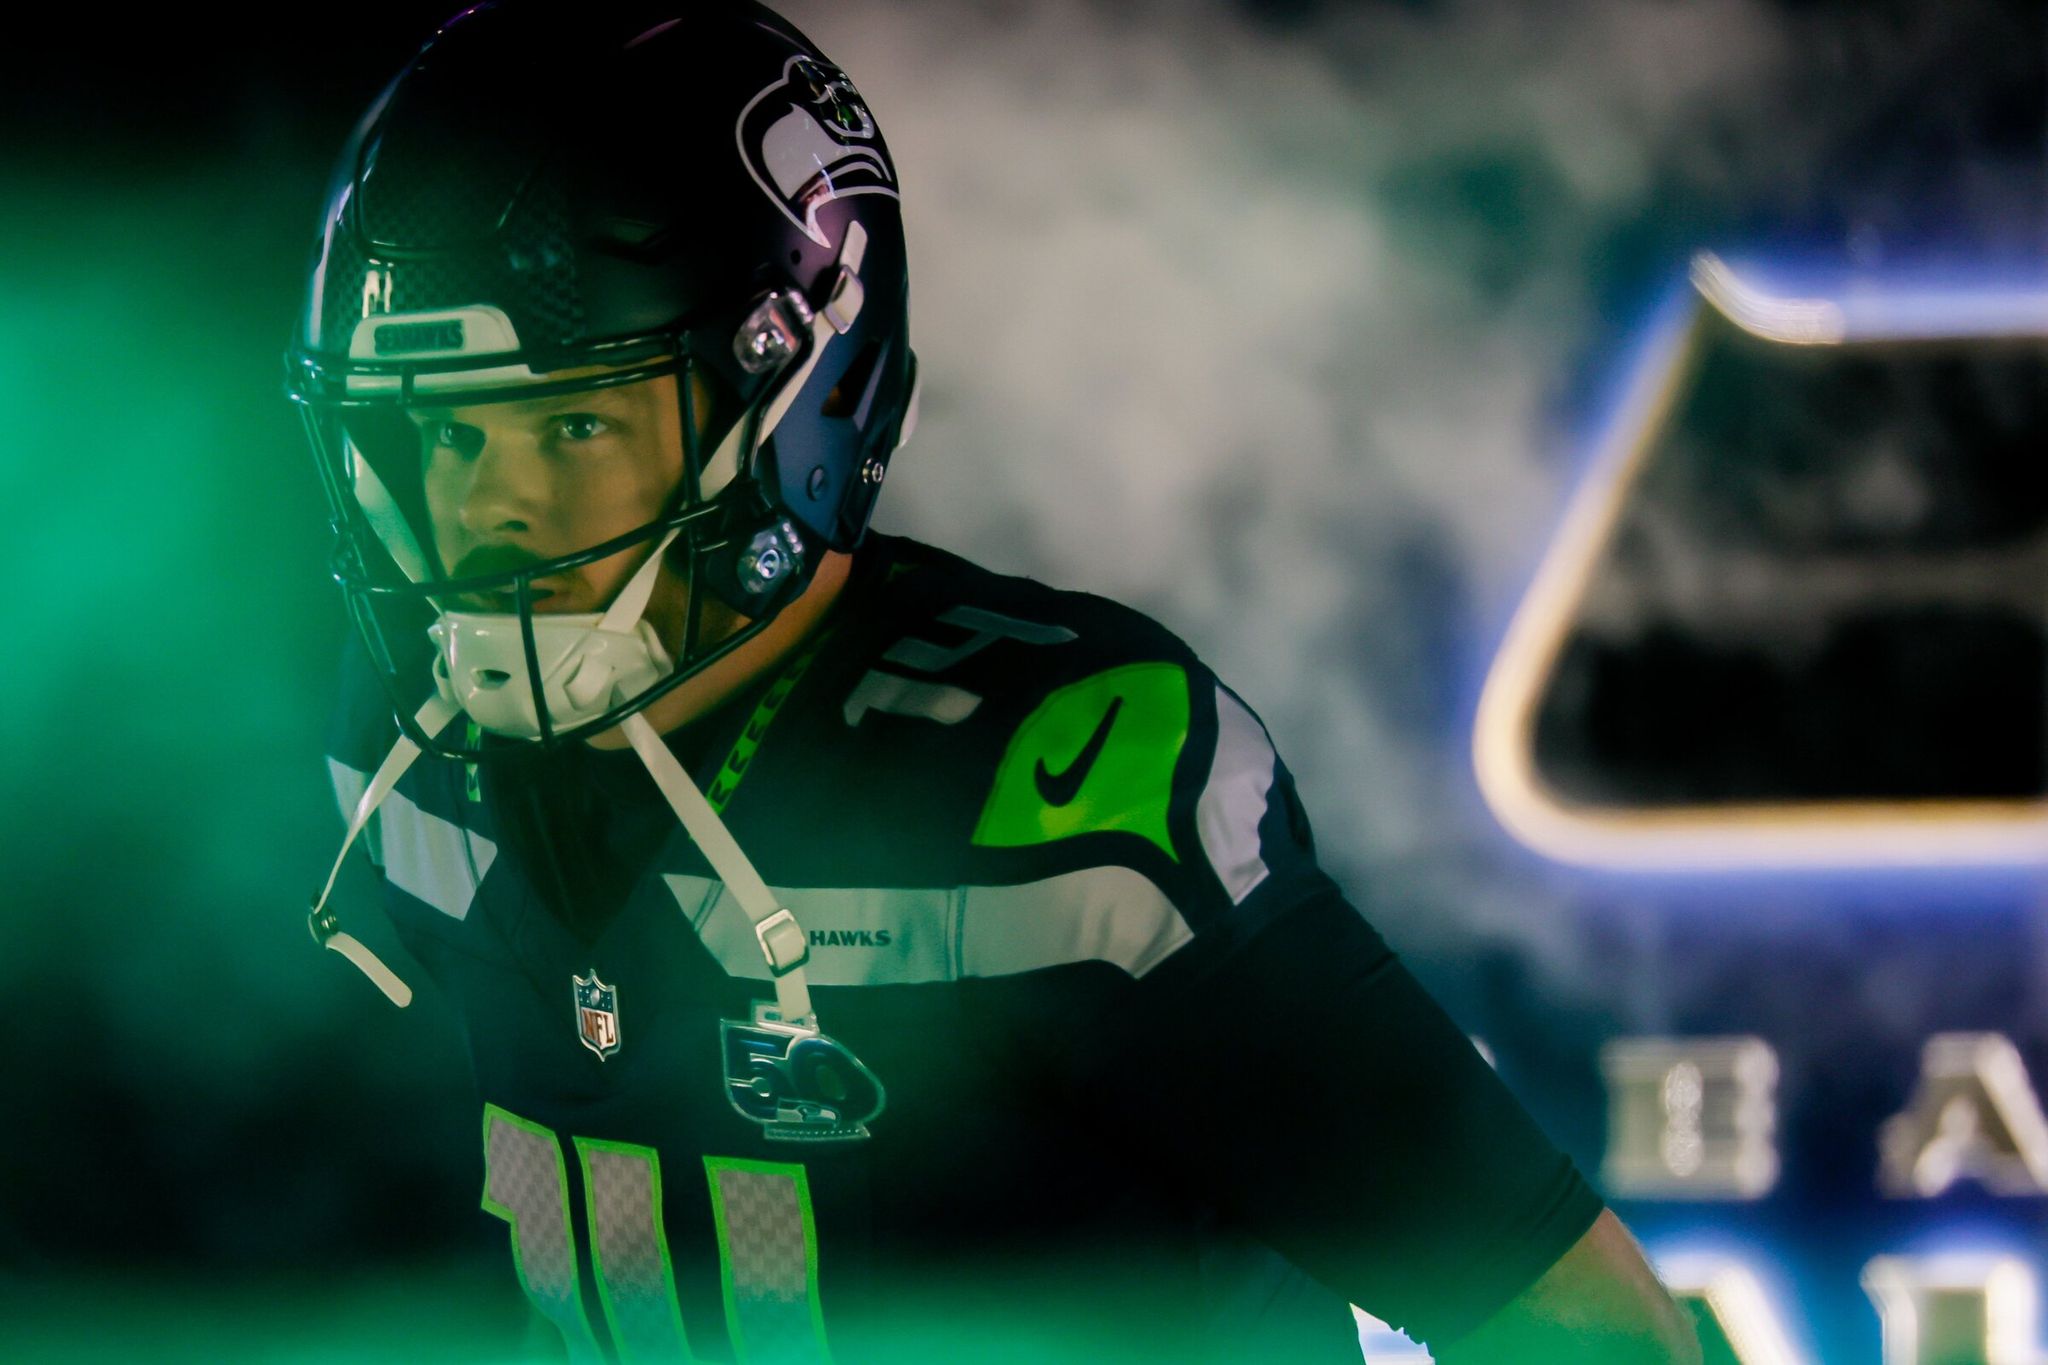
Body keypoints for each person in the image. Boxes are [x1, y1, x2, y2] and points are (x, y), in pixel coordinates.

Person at [295, 3, 1701, 1362]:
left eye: (574, 422)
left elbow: (1587, 1333)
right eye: (442, 436)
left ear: (792, 395)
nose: (490, 515)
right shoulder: (415, 754)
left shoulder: (1054, 782)